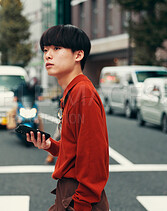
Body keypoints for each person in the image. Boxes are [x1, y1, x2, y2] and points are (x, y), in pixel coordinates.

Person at [26, 25, 109, 211]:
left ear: (78, 55)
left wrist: (80, 204)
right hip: (70, 194)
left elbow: (94, 157)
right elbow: (77, 148)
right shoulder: (73, 92)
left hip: (79, 198)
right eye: (45, 50)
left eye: (56, 49)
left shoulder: (83, 94)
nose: (47, 55)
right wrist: (50, 146)